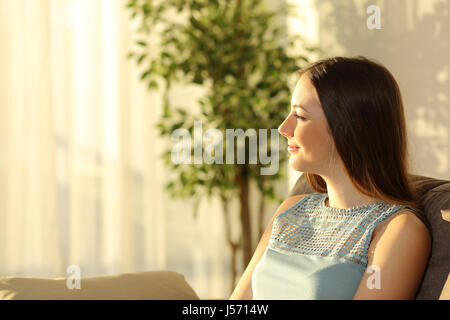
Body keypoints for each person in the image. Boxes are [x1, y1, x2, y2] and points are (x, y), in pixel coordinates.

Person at [229, 56, 431, 300]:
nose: (284, 128)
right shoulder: (291, 210)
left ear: (351, 126)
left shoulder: (397, 231)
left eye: (300, 116)